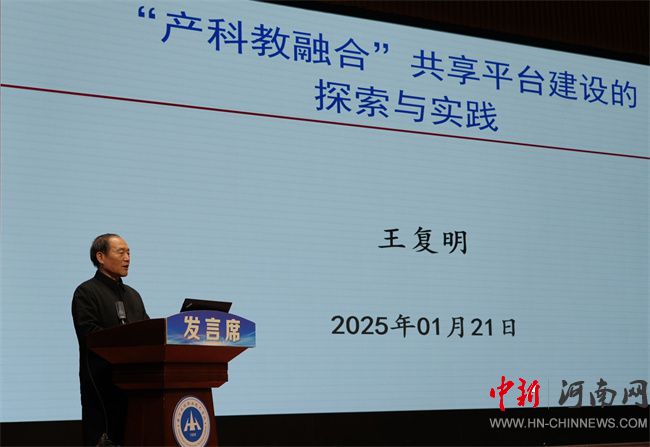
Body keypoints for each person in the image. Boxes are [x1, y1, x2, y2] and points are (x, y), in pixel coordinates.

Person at [71, 234, 149, 446]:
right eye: (121, 252)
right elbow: (89, 334)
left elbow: (148, 332)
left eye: (129, 252)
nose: (127, 258)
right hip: (102, 387)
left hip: (135, 387)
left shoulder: (133, 295)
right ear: (100, 257)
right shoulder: (86, 292)